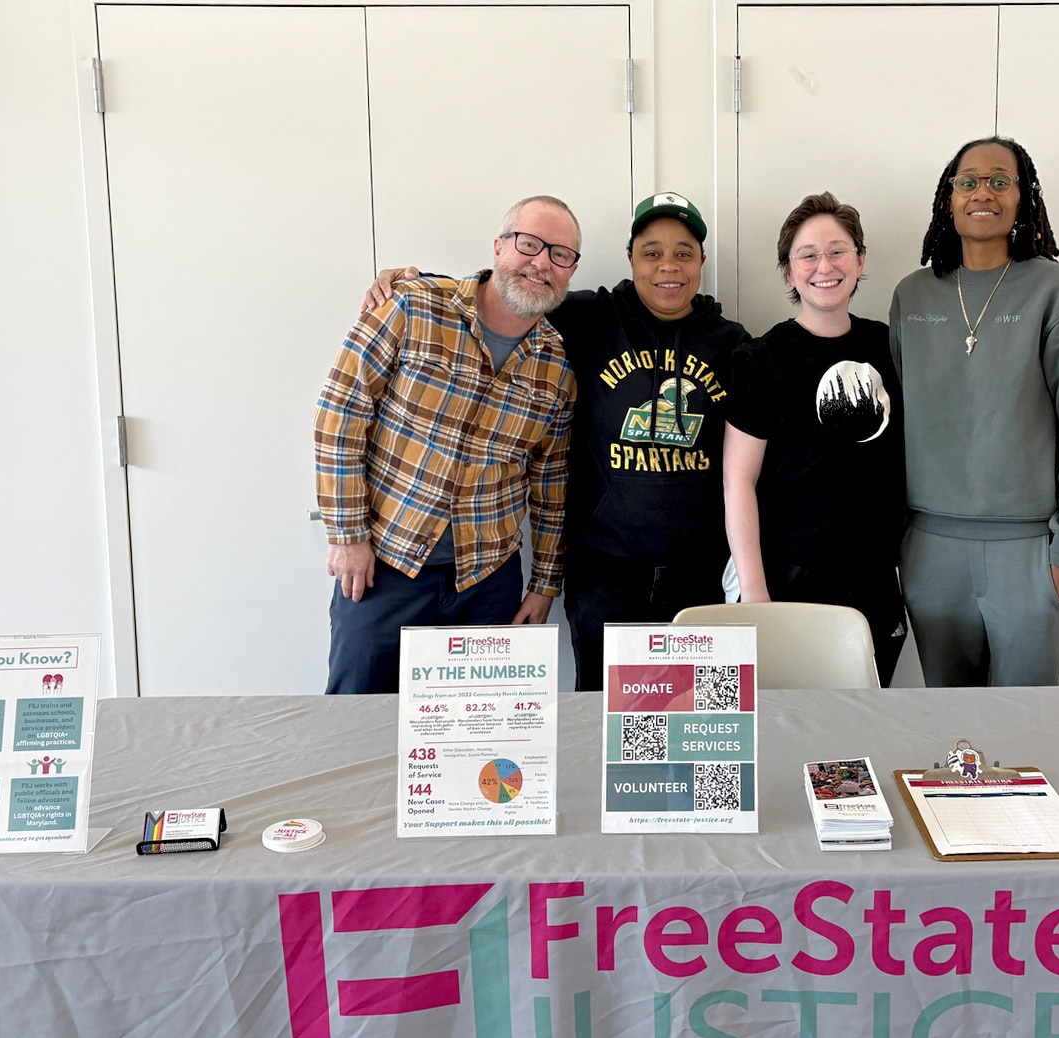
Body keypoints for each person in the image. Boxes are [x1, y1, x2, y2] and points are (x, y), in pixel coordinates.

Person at [361, 193, 748, 691]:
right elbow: (508, 293)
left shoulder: (734, 344)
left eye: (683, 252)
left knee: (699, 722)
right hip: (605, 573)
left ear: (701, 261)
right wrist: (413, 280)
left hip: (701, 573)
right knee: (612, 722)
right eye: (652, 252)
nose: (667, 266)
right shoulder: (587, 318)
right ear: (631, 258)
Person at [315, 195, 581, 694]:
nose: (542, 262)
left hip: (487, 584)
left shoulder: (557, 369)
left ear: (569, 272)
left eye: (560, 254)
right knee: (355, 722)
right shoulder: (412, 306)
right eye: (530, 244)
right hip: (383, 570)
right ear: (499, 247)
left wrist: (545, 583)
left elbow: (551, 485)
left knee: (476, 741)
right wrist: (347, 535)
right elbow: (340, 413)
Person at [889, 136, 1059, 687]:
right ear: (948, 199)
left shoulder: (1058, 292)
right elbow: (893, 426)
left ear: (1022, 197)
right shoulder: (912, 297)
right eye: (967, 181)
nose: (981, 193)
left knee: (1030, 729)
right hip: (928, 549)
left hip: (1030, 548)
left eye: (998, 180)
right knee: (953, 735)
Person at [722, 192, 908, 686]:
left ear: (860, 260)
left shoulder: (891, 346)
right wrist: (756, 598)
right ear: (788, 271)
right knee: (786, 729)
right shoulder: (760, 358)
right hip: (787, 580)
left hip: (873, 583)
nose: (824, 266)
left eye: (838, 250)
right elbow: (738, 480)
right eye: (807, 255)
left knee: (858, 730)